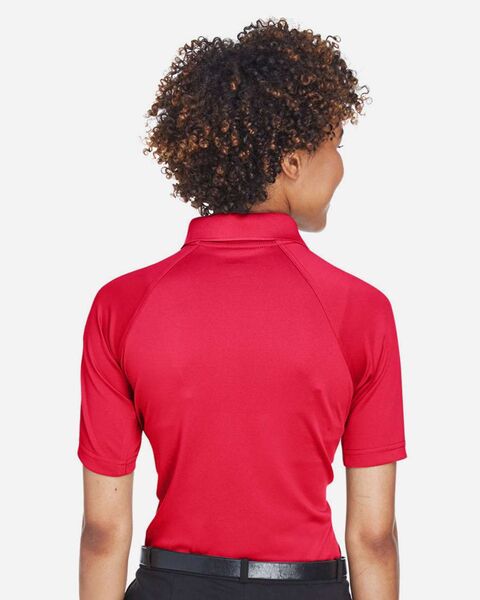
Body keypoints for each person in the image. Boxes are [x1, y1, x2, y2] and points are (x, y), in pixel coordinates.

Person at [77, 17, 407, 600]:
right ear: (292, 162)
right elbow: (373, 537)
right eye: (336, 143)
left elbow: (104, 533)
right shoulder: (361, 310)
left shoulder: (121, 306)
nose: (341, 165)